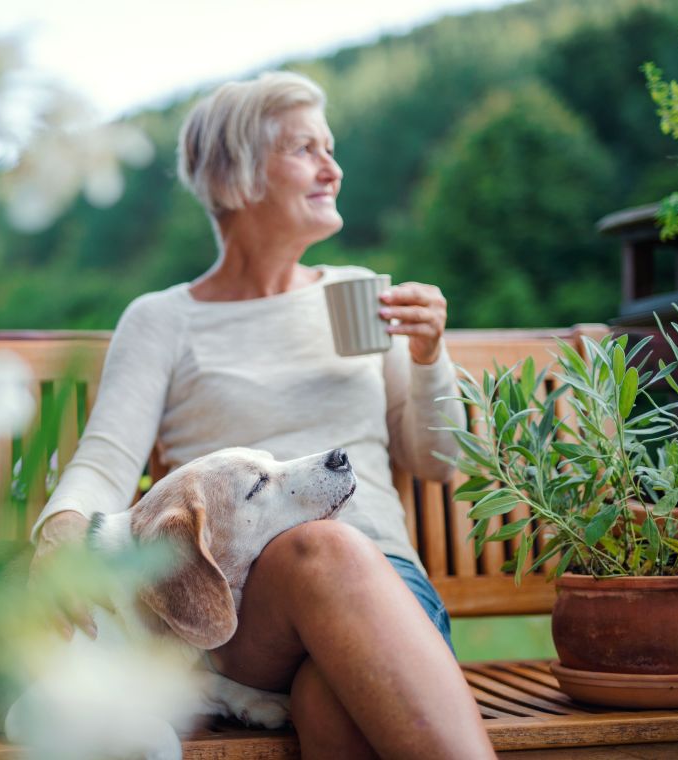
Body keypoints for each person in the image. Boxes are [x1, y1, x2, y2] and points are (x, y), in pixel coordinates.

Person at [29, 71, 495, 759]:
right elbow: (106, 461)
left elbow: (437, 460)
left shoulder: (357, 294)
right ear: (237, 174)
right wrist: (61, 533)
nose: (333, 168)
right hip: (239, 615)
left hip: (389, 597)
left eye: (330, 148)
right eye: (306, 149)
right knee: (321, 544)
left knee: (329, 705)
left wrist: (429, 356)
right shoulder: (164, 320)